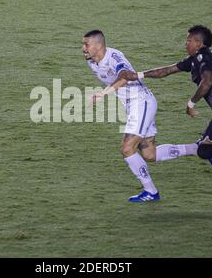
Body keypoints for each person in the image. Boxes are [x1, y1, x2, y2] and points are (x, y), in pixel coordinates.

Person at [117, 25, 212, 223]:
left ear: (198, 43)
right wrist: (138, 75)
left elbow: (207, 82)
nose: (185, 43)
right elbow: (167, 71)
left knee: (204, 151)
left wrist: (191, 103)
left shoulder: (203, 57)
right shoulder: (194, 59)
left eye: (189, 40)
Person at [82, 29, 199, 203]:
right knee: (149, 154)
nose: (83, 48)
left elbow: (125, 77)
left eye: (86, 44)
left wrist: (103, 93)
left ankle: (151, 191)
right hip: (133, 106)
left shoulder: (114, 57)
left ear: (99, 46)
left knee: (127, 148)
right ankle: (200, 149)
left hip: (141, 103)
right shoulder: (92, 62)